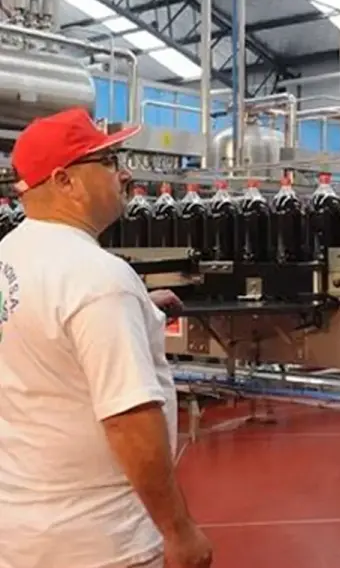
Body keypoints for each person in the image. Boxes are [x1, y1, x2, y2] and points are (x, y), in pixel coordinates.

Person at [0, 108, 213, 568]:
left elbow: (40, 331)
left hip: (21, 531)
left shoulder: (9, 256)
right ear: (65, 181)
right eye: (109, 161)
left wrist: (135, 310)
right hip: (100, 543)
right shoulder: (98, 278)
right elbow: (127, 419)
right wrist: (178, 531)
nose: (125, 173)